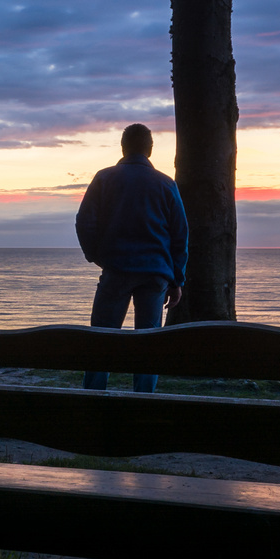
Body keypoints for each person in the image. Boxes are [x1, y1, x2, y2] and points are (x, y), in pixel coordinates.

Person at [74, 123, 188, 392]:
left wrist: (96, 256)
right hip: (156, 274)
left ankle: (94, 395)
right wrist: (177, 279)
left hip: (117, 269)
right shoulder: (166, 184)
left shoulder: (104, 178)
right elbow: (180, 234)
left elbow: (84, 223)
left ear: (123, 147)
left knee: (102, 338)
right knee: (148, 344)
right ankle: (143, 399)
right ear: (149, 150)